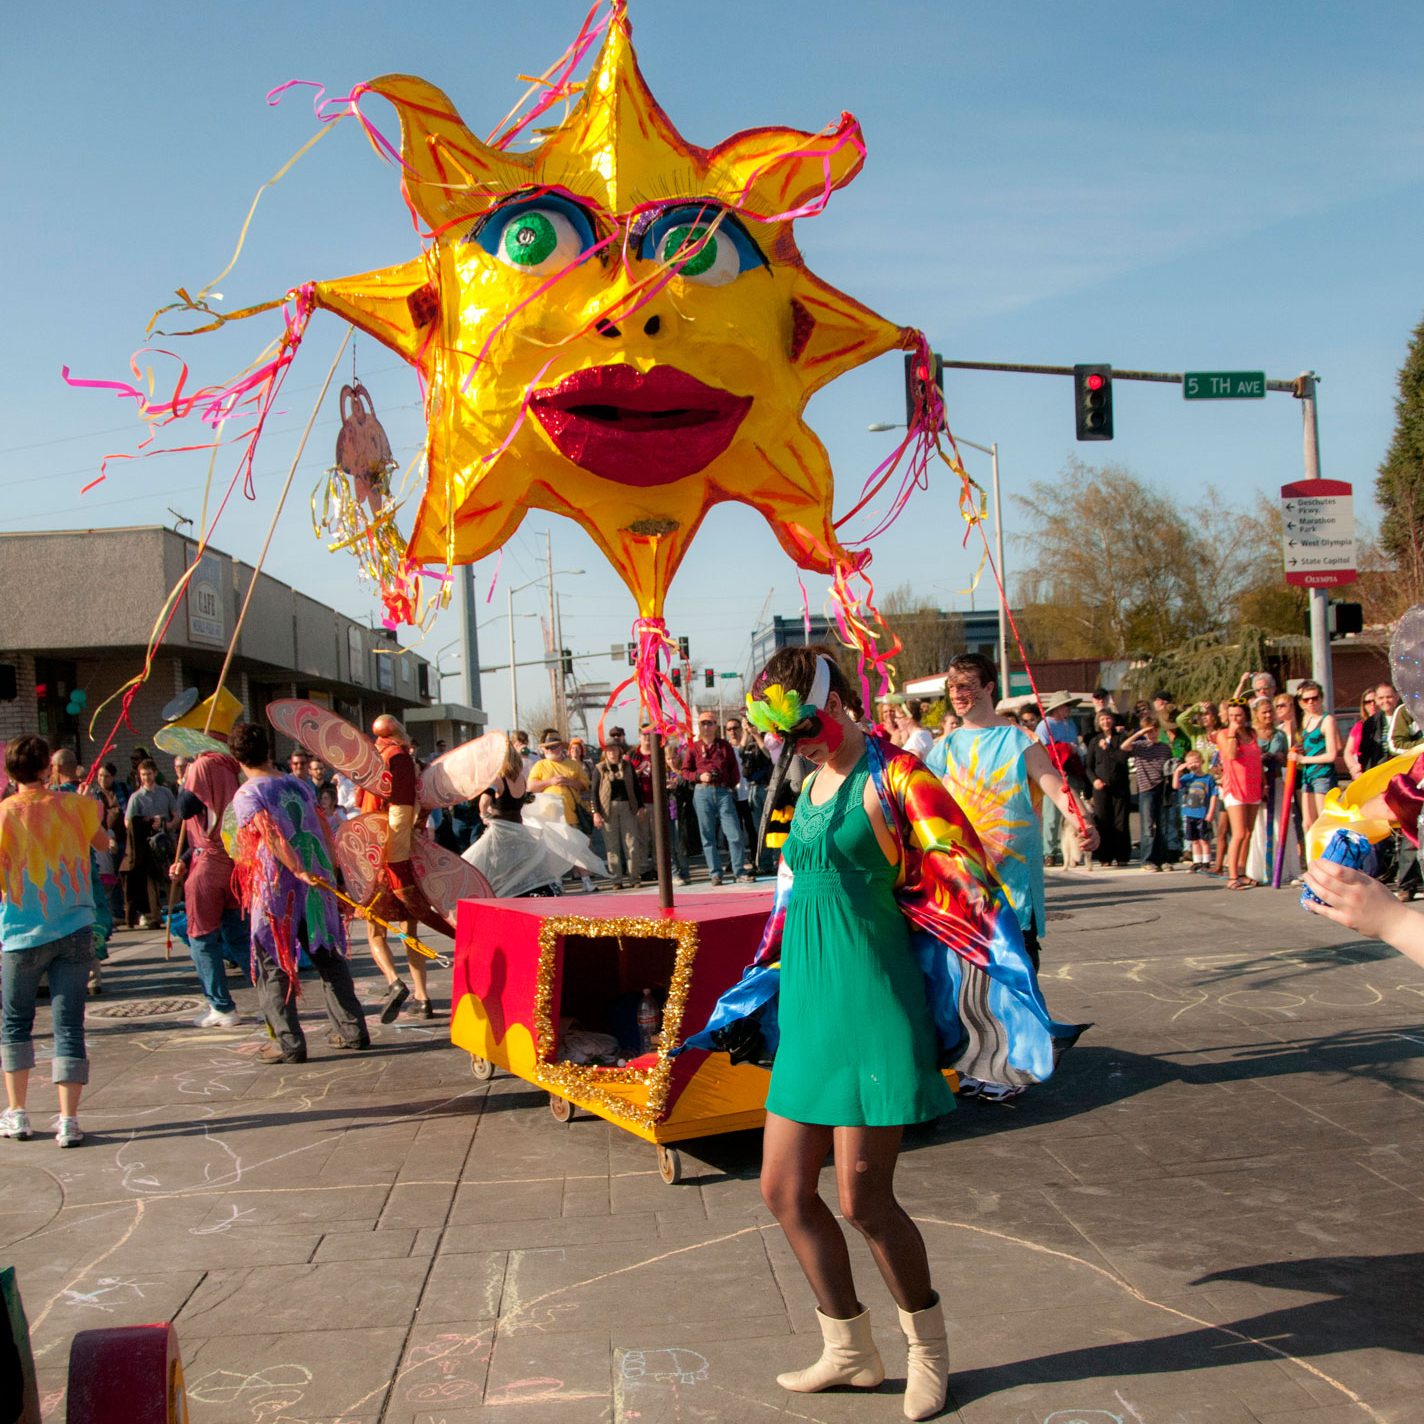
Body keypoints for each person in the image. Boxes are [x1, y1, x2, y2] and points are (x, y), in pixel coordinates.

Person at [684, 647, 1082, 1419]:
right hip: (808, 1007)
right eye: (780, 732)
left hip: (873, 1006)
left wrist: (992, 976)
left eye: (801, 724)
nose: (792, 742)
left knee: (865, 1201)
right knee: (783, 1190)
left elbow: (967, 883)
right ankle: (849, 1349)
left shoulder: (899, 776)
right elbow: (792, 895)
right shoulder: (808, 781)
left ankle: (927, 1350)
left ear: (835, 702)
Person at [927, 655, 1098, 967]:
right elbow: (921, 808)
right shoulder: (944, 749)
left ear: (989, 687)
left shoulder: (1020, 739)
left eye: (965, 686)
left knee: (1021, 975)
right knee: (972, 985)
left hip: (1015, 884)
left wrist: (1083, 822)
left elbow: (1058, 788)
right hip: (966, 883)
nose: (955, 693)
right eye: (951, 686)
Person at [228, 721, 369, 1061]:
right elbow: (322, 826)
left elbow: (271, 833)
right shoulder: (298, 784)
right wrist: (332, 872)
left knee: (274, 961)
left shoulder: (249, 793)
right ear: (268, 751)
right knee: (327, 956)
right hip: (315, 881)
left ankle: (287, 1043)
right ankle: (352, 1030)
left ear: (237, 758)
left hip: (279, 887)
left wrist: (296, 868)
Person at [1, 734, 113, 1147]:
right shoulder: (78, 806)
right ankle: (68, 1119)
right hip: (73, 927)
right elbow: (104, 846)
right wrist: (84, 811)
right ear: (48, 768)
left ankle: (17, 1112)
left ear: (11, 773)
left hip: (19, 932)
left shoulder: (3, 815)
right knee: (68, 1023)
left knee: (16, 1022)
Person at [353, 715, 449, 1021]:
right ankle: (423, 997)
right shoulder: (415, 768)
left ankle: (394, 982)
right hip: (412, 858)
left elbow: (370, 811)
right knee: (410, 931)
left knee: (375, 931)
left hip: (383, 859)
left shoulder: (383, 763)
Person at [173, 749, 251, 1027]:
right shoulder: (232, 766)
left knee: (203, 938)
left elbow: (185, 807)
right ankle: (272, 998)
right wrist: (183, 860)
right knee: (240, 936)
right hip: (234, 860)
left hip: (209, 866)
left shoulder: (203, 765)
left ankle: (221, 1006)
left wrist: (188, 777)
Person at [680, 712, 751, 885]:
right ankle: (715, 873)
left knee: (734, 833)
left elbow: (735, 770)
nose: (706, 727)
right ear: (699, 726)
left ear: (715, 725)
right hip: (702, 791)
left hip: (723, 792)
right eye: (703, 723)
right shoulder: (693, 747)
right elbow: (685, 772)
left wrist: (728, 785)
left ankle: (739, 871)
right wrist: (699, 776)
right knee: (708, 835)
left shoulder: (724, 745)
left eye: (709, 723)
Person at [121, 758, 178, 928]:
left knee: (172, 877)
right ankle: (155, 916)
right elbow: (127, 822)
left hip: (167, 840)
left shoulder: (165, 793)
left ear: (155, 773)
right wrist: (146, 823)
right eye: (143, 774)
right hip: (147, 844)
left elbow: (177, 814)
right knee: (151, 881)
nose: (146, 777)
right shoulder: (136, 798)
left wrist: (168, 824)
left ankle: (173, 912)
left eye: (149, 774)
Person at [1213, 699, 1264, 889]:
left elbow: (1257, 760)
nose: (1235, 719)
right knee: (1239, 832)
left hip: (1252, 786)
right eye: (1232, 715)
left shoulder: (1252, 734)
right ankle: (1232, 875)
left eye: (1239, 715)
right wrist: (1233, 733)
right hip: (1234, 788)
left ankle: (1242, 871)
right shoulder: (1223, 734)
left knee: (1249, 832)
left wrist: (1263, 784)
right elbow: (1231, 755)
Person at [1034, 693, 1085, 866]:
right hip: (1053, 773)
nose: (1068, 709)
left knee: (1072, 811)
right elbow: (1041, 750)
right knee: (1051, 815)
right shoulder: (1044, 726)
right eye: (1065, 706)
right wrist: (1064, 748)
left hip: (1070, 770)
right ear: (1057, 708)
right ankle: (1049, 851)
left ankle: (1073, 850)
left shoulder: (1070, 725)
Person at [1122, 712, 1174, 871]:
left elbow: (1169, 767)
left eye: (1154, 731)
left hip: (1162, 787)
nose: (1151, 734)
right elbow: (1124, 746)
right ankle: (1147, 860)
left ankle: (1162, 858)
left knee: (1162, 825)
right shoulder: (1139, 747)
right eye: (1148, 731)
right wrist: (1139, 734)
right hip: (1146, 789)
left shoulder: (1165, 748)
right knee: (1148, 826)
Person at [592, 739, 642, 888]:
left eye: (615, 750)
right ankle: (616, 880)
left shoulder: (627, 767)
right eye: (609, 750)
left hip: (627, 806)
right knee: (612, 846)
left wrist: (640, 807)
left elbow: (635, 786)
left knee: (631, 844)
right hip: (607, 809)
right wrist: (596, 812)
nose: (612, 753)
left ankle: (634, 878)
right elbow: (594, 792)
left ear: (620, 751)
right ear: (605, 752)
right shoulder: (599, 768)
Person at [1085, 710, 1131, 866]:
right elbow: (1089, 767)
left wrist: (1109, 748)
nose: (1106, 722)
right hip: (1101, 789)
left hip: (1120, 787)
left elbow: (1121, 757)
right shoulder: (1094, 741)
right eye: (1102, 719)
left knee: (1121, 821)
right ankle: (1105, 857)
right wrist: (1095, 780)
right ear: (1098, 722)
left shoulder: (1121, 738)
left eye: (1108, 719)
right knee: (1103, 821)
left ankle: (1122, 856)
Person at [1294, 680, 1340, 840]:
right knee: (1307, 823)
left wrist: (1303, 758)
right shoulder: (1305, 720)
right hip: (1308, 775)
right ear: (1301, 703)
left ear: (1321, 698)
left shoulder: (1327, 720)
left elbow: (1332, 754)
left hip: (1323, 774)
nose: (1311, 702)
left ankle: (1327, 859)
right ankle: (1312, 860)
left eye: (1315, 698)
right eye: (1306, 700)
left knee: (1323, 821)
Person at [1174, 749, 1218, 871]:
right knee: (1194, 840)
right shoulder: (1187, 778)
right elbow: (1175, 786)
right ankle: (1197, 861)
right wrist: (1178, 771)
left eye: (1196, 762)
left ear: (1202, 762)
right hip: (1190, 813)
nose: (1193, 765)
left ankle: (1206, 861)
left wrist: (1210, 812)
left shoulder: (1208, 778)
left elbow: (1214, 795)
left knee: (1204, 839)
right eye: (1190, 763)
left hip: (1203, 813)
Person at [1343, 688, 1379, 779]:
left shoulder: (1385, 722)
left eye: (1375, 701)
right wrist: (1354, 767)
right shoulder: (1359, 726)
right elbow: (1348, 751)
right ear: (1363, 705)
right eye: (1368, 702)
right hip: (1361, 772)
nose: (1372, 704)